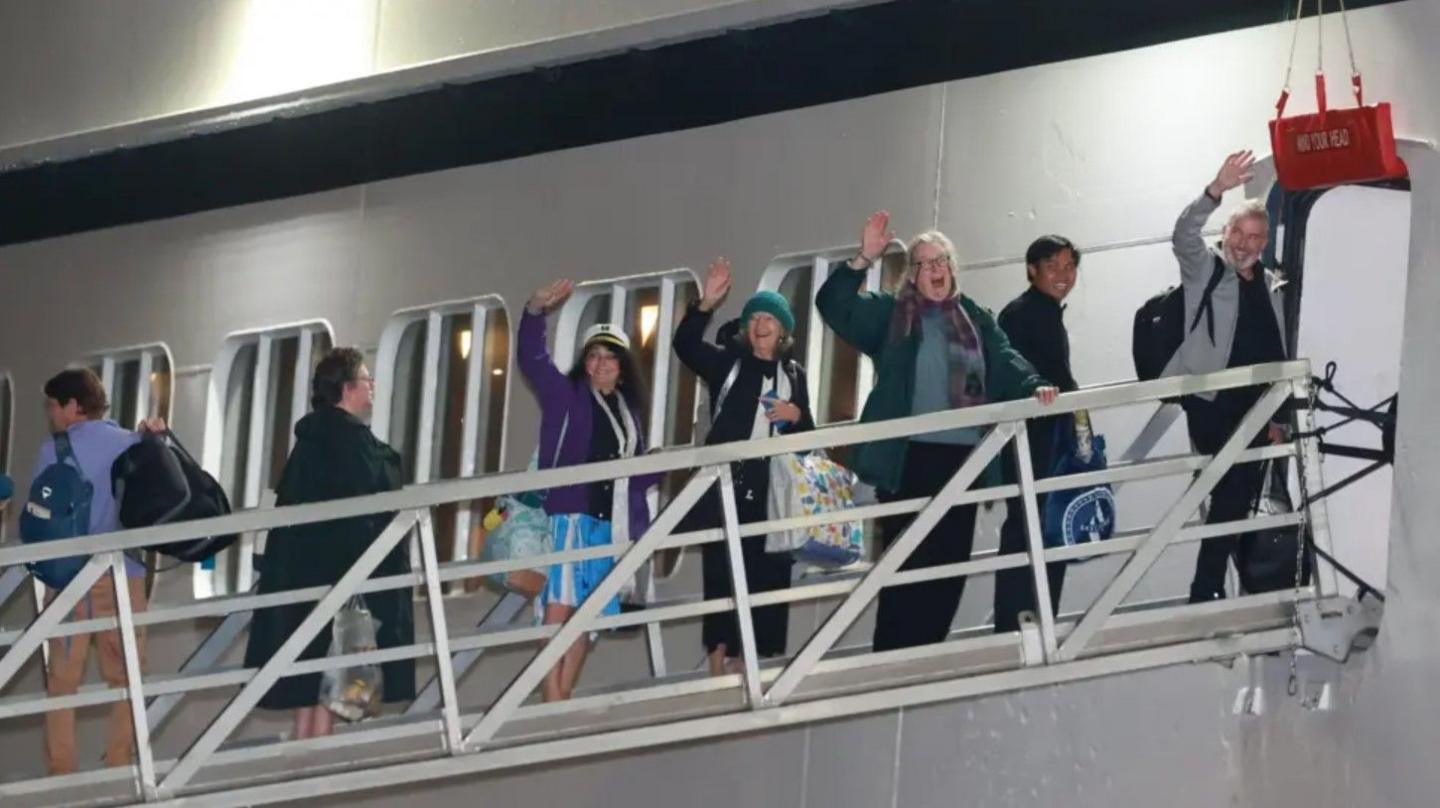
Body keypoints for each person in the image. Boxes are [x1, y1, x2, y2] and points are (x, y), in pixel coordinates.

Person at [816, 212, 1058, 651]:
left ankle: (927, 650)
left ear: (953, 267)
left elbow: (1003, 359)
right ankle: (891, 653)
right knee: (906, 563)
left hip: (961, 459)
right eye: (924, 263)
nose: (935, 270)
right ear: (911, 275)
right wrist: (863, 259)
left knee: (949, 565)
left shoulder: (974, 318)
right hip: (909, 458)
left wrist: (1033, 385)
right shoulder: (892, 315)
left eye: (941, 260)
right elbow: (834, 306)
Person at [243, 347, 414, 739]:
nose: (373, 387)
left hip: (301, 584)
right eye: (368, 379)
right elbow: (368, 512)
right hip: (341, 583)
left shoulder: (307, 443)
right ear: (349, 388)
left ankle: (303, 760)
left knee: (308, 687)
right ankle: (315, 764)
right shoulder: (354, 445)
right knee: (333, 690)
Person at [519, 280, 663, 702]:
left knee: (589, 615)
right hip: (570, 514)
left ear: (622, 367)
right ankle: (553, 695)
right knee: (559, 607)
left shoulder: (628, 413)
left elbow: (627, 478)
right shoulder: (566, 396)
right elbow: (534, 359)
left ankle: (560, 692)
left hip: (608, 523)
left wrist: (659, 468)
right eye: (594, 356)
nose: (601, 364)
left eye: (609, 358)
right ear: (585, 362)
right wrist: (534, 310)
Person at [674, 257, 816, 675]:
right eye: (755, 317)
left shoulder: (794, 374)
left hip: (775, 484)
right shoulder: (728, 364)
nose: (760, 325)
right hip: (731, 484)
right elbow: (685, 347)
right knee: (722, 570)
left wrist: (795, 415)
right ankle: (719, 660)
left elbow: (808, 431)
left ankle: (751, 659)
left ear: (784, 329)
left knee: (769, 568)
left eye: (770, 318)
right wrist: (705, 306)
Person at [31, 368, 165, 774]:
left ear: (73, 406)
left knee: (62, 682)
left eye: (54, 405)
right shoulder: (131, 443)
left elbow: (38, 516)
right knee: (127, 677)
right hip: (123, 576)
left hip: (69, 578)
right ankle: (121, 763)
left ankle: (62, 771)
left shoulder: (51, 450)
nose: (52, 414)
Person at [1169, 151, 1289, 602]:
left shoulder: (1270, 285)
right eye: (1237, 232)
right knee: (1232, 493)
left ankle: (1218, 587)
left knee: (1234, 500)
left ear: (1263, 244)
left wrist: (1279, 418)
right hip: (1213, 405)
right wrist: (1215, 190)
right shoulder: (1207, 271)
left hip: (1257, 410)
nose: (1243, 242)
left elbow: (1276, 353)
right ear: (1226, 232)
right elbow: (1182, 236)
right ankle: (1205, 590)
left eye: (1253, 236)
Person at [992, 236, 1081, 632]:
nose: (1063, 276)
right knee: (1031, 526)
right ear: (1032, 270)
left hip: (1047, 435)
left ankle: (1035, 614)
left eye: (1069, 267)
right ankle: (1021, 618)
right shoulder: (1022, 314)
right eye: (1053, 267)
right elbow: (1017, 373)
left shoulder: (1042, 311)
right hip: (1033, 438)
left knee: (1044, 524)